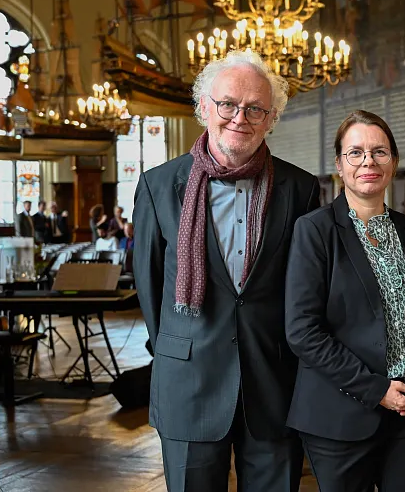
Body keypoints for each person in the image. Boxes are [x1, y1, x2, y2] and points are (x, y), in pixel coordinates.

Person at [133, 50, 320, 492]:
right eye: (228, 104)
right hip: (189, 382)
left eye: (255, 108)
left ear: (271, 118)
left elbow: (306, 288)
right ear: (203, 107)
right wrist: (184, 346)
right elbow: (150, 286)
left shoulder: (301, 187)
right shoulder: (158, 186)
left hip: (273, 383)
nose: (241, 117)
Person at [285, 111, 405, 492]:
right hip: (341, 414)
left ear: (394, 161)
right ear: (339, 166)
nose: (368, 162)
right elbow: (302, 331)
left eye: (380, 152)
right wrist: (376, 390)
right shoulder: (315, 230)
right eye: (355, 153)